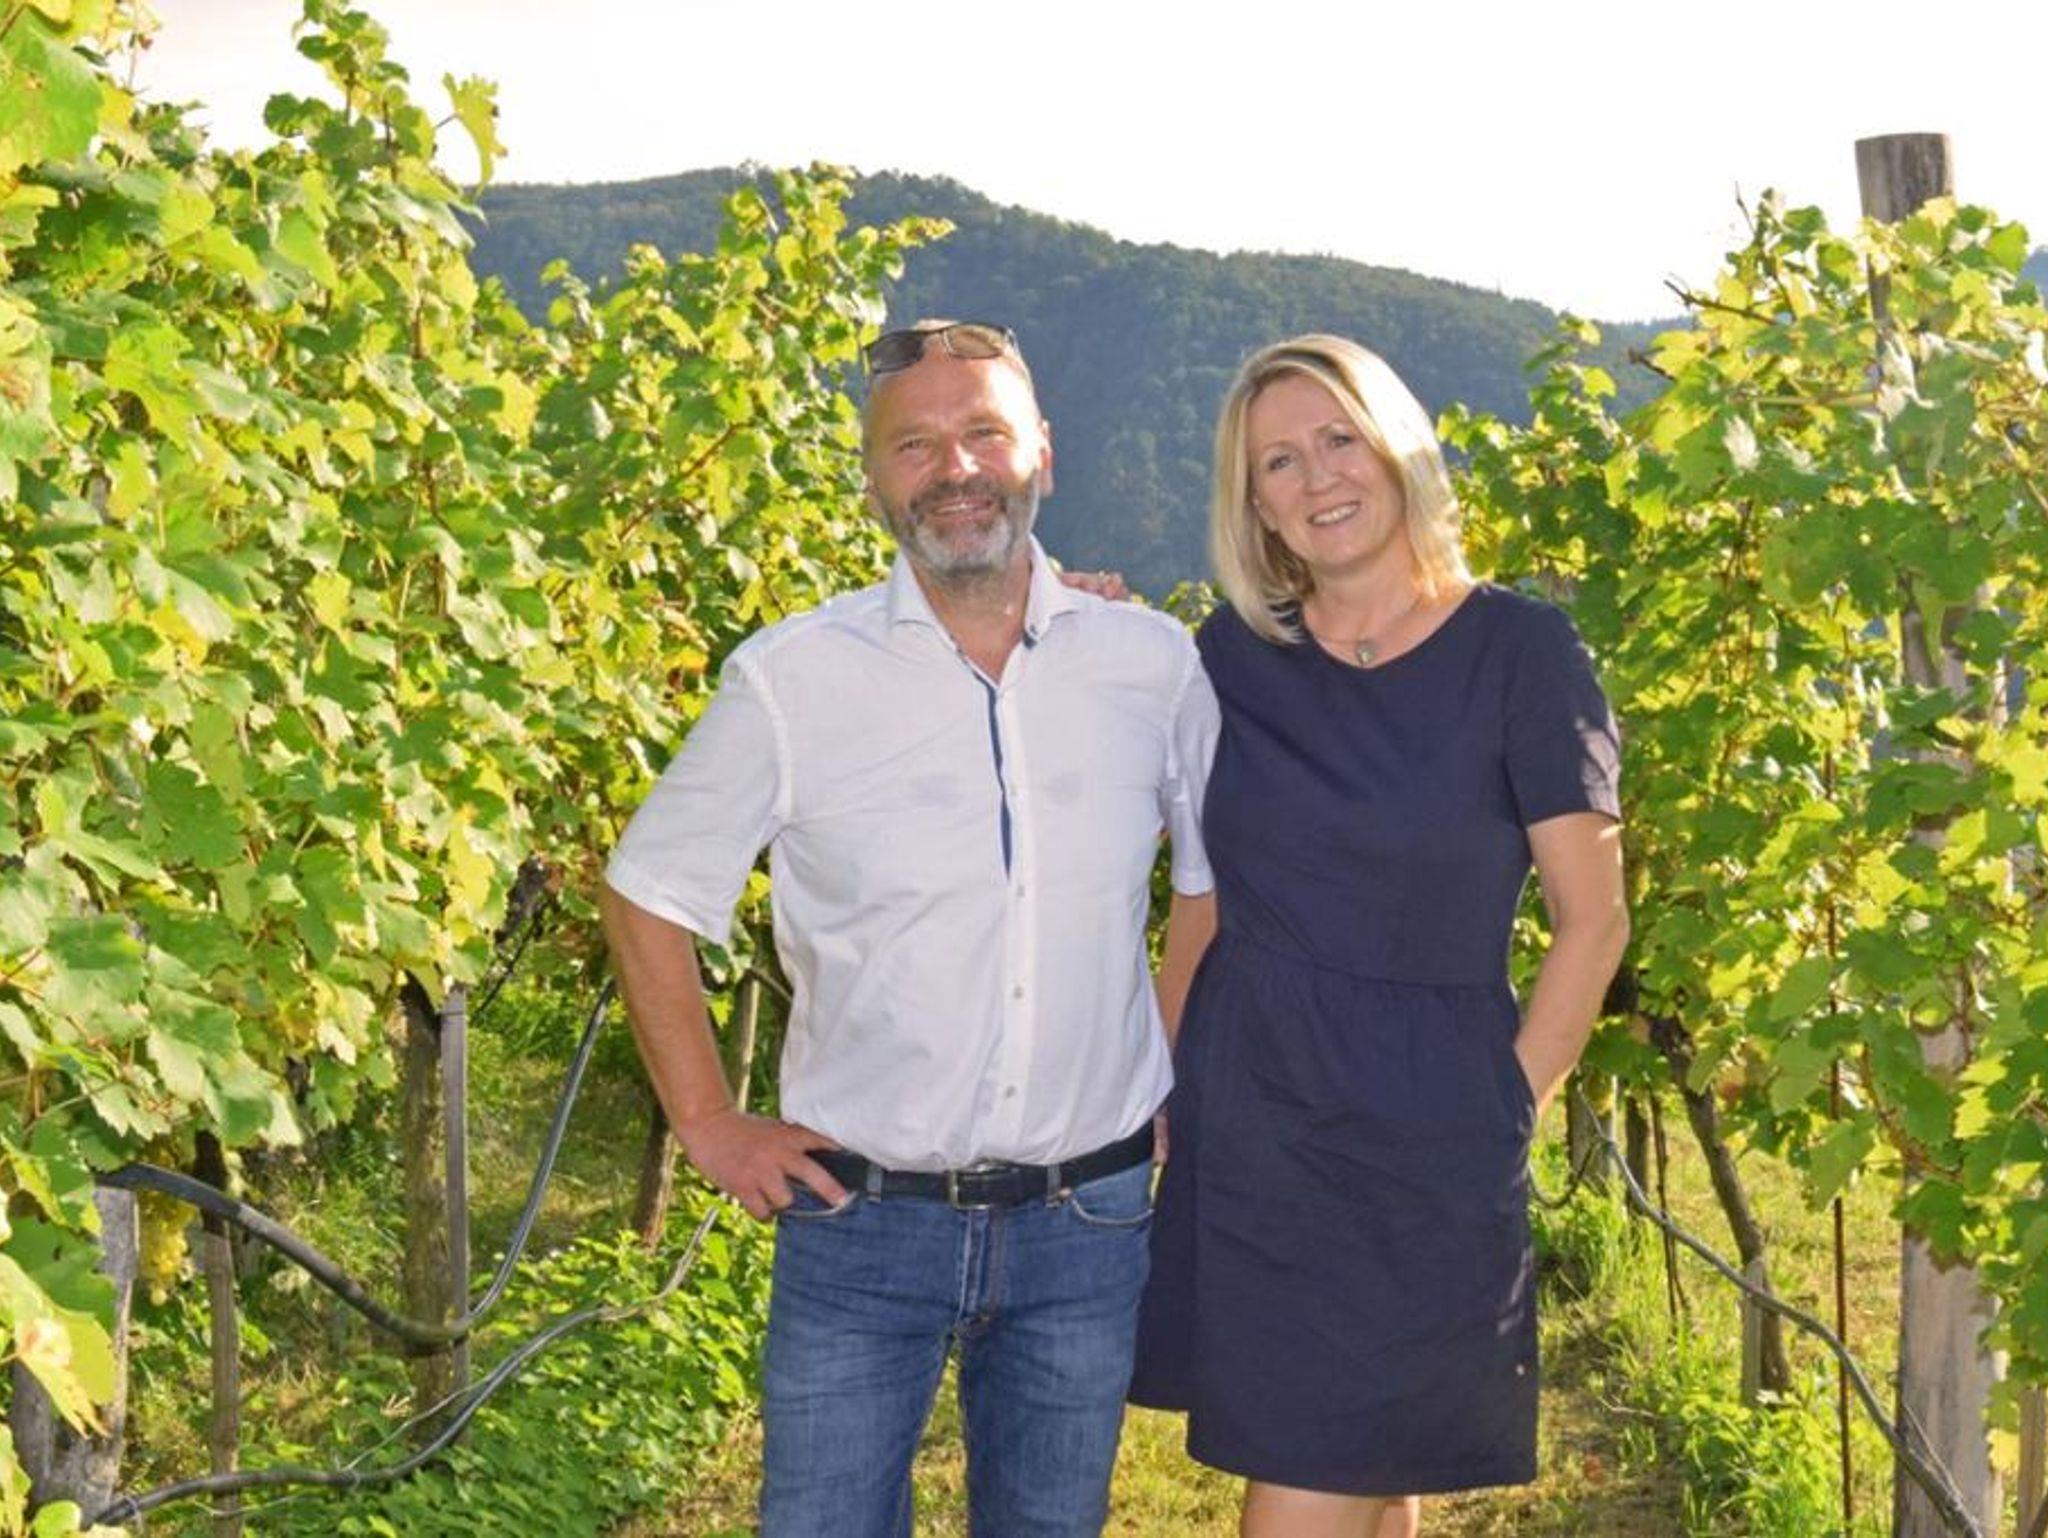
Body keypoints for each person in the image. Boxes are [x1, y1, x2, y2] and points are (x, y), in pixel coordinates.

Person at [599, 319, 1220, 1538]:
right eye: (914, 445)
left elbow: (1203, 887)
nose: (955, 468)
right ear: (873, 478)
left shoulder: (1153, 666)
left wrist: (1158, 1057)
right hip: (860, 1222)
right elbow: (647, 892)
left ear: (1042, 451)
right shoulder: (790, 679)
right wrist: (708, 1120)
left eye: (984, 431)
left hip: (1087, 1223)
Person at [1127, 334, 1629, 1538]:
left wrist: (1505, 1103)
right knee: (1331, 1453)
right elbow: (1202, 897)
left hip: (1431, 1114)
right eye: (1277, 462)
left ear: (1397, 447)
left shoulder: (1521, 652)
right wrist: (1159, 1076)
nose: (1315, 477)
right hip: (1255, 1109)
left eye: (1336, 438)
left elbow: (1593, 919)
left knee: (1355, 1452)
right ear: (1253, 506)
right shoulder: (1226, 659)